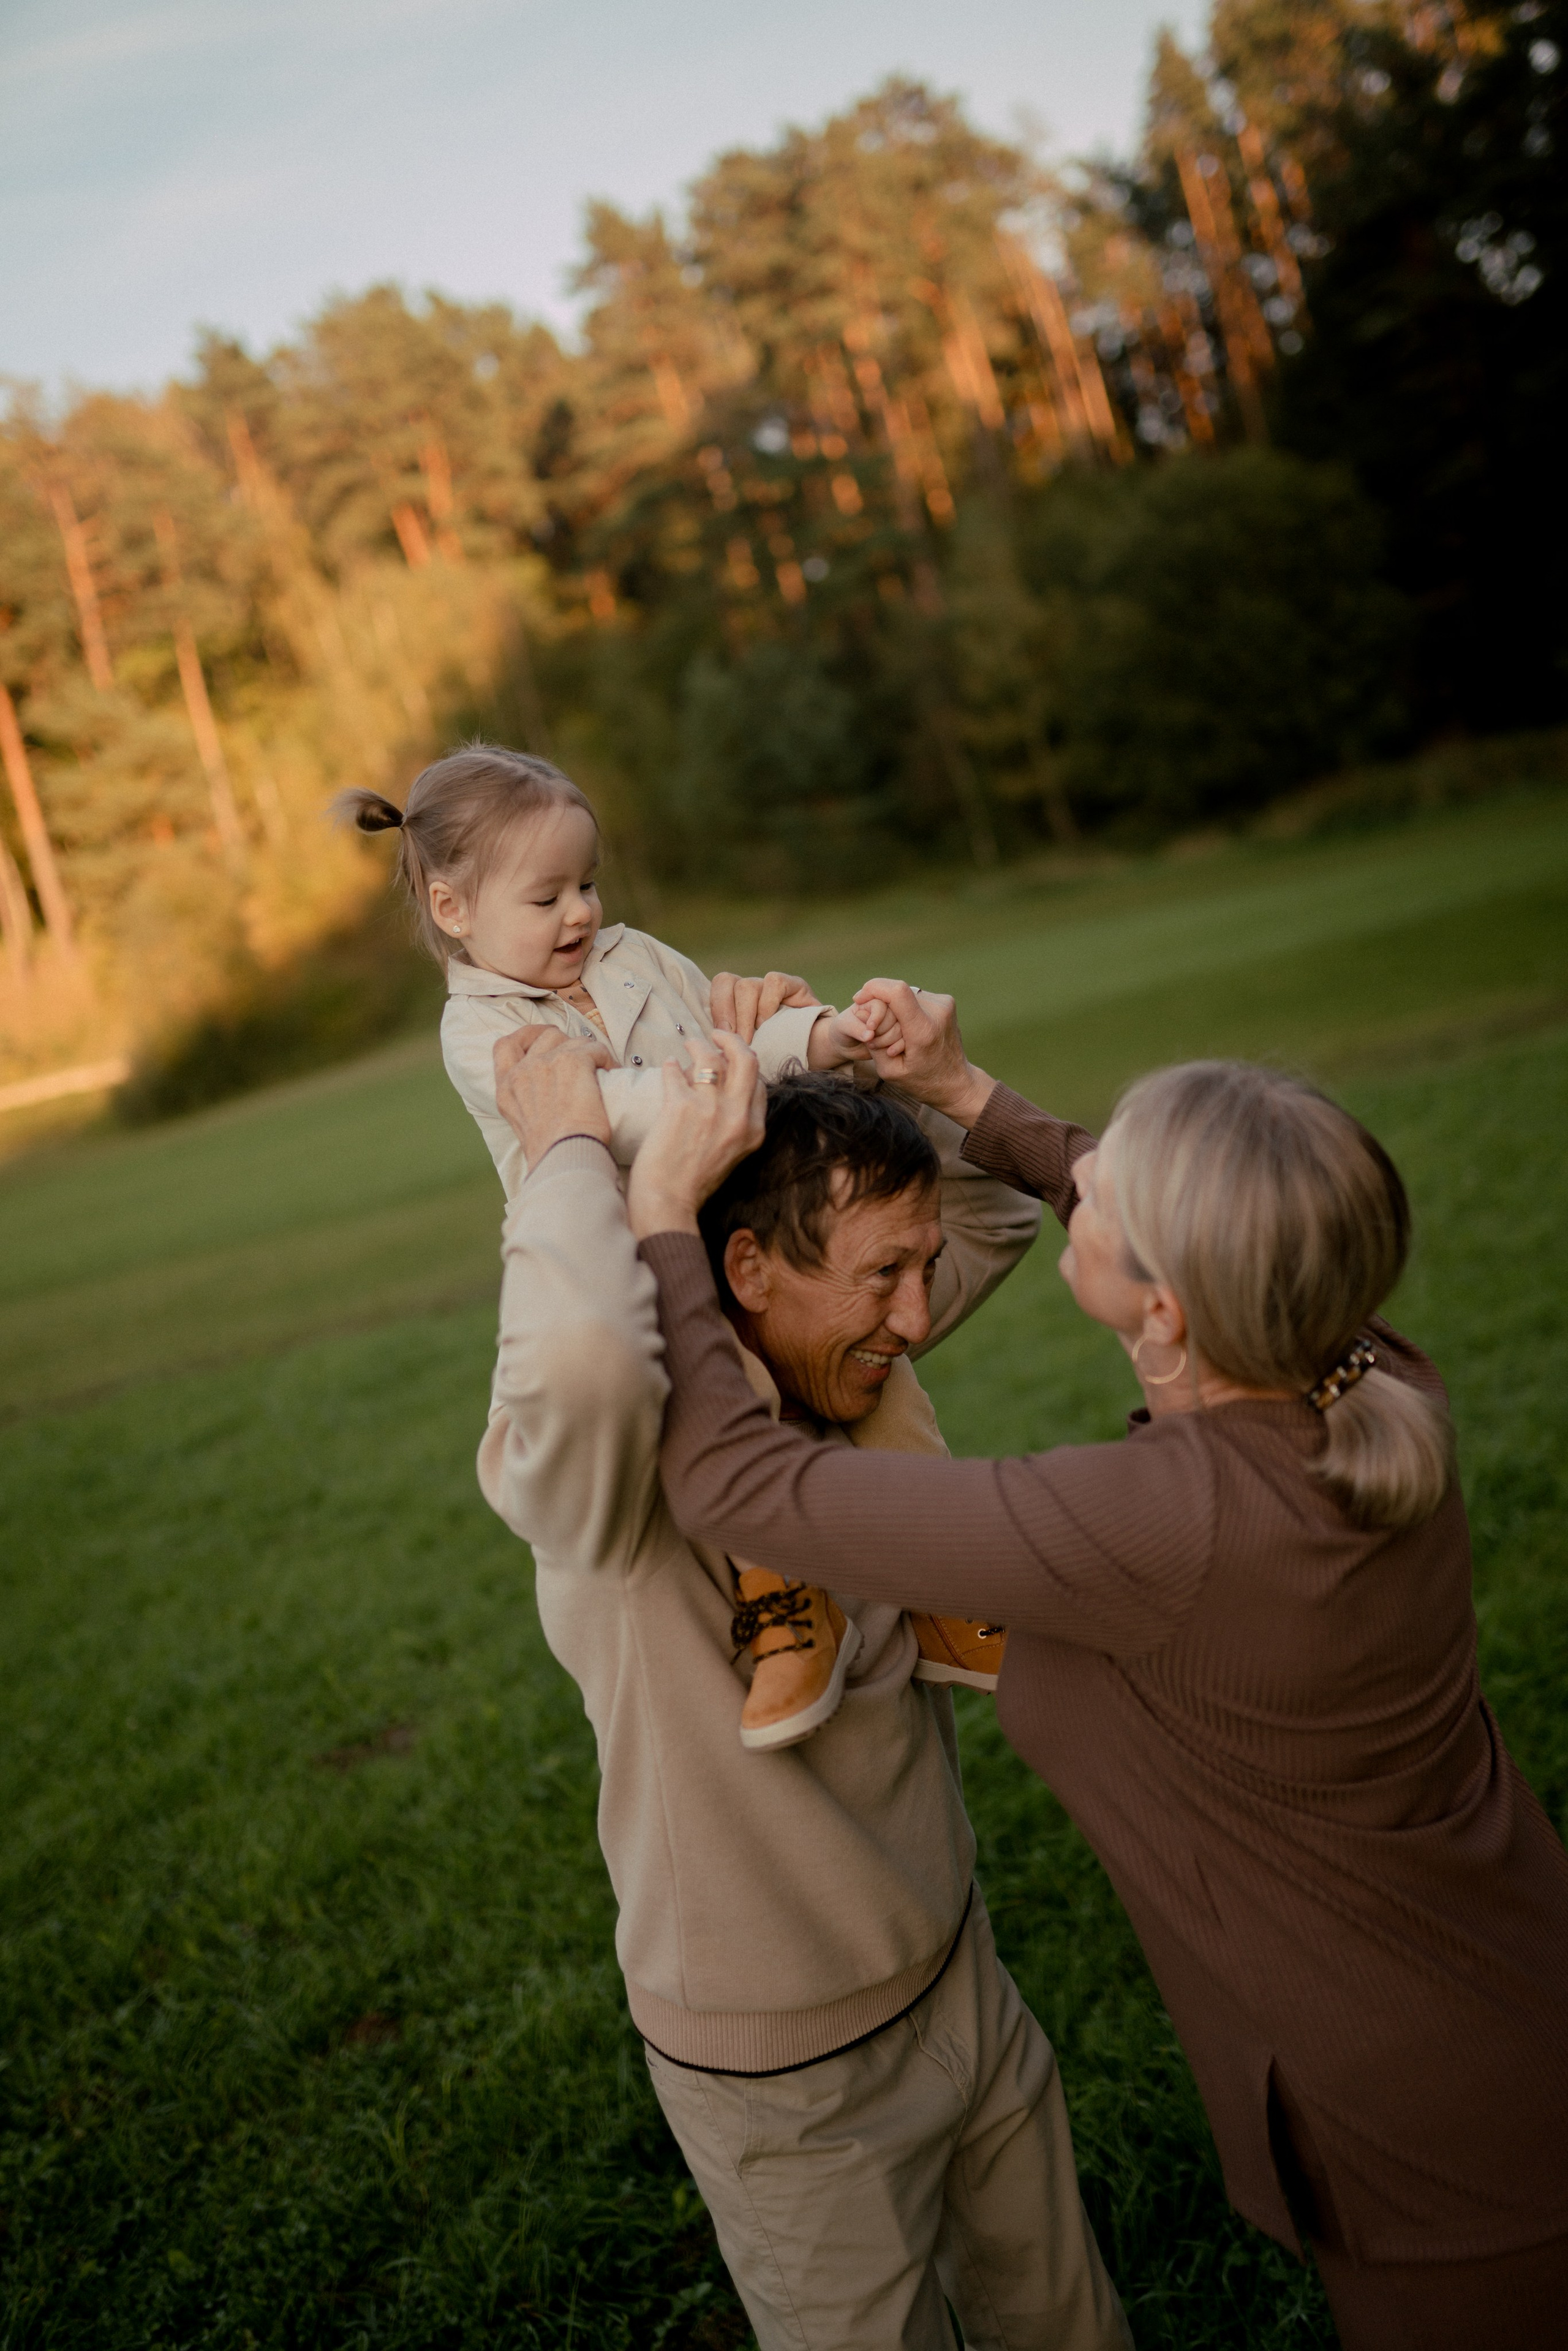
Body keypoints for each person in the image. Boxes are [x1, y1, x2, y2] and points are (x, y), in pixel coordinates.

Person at [627, 985, 1568, 2351]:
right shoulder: (1366, 1375)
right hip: (1509, 2001)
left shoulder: (1158, 1526)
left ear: (1168, 1311)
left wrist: (663, 1203)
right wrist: (957, 1094)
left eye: (1104, 1186)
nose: (1080, 1167)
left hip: (1445, 2147)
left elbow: (733, 1479)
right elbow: (1181, 1212)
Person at [480, 1021, 1131, 2351]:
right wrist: (578, 1159)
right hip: (785, 2083)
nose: (916, 1315)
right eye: (884, 1273)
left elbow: (999, 1206)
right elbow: (592, 1354)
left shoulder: (838, 1365)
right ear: (743, 1270)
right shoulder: (609, 1486)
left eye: (919, 1271)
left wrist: (867, 1062)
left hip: (960, 1978)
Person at [337, 741, 919, 1749]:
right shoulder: (481, 1033)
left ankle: (944, 1563)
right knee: (717, 1377)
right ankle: (785, 1604)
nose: (580, 913)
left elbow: (725, 1034)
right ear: (453, 909)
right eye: (547, 895)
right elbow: (607, 1109)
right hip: (618, 1259)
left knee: (884, 1373)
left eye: (589, 884)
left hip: (731, 1219)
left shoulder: (637, 959)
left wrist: (819, 1036)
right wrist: (728, 1075)